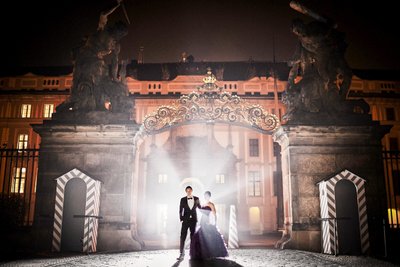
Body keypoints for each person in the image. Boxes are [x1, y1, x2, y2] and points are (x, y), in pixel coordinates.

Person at [189, 191, 228, 260]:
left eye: (207, 196)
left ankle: (212, 253)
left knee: (211, 236)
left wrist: (214, 222)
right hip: (202, 221)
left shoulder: (211, 204)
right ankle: (201, 253)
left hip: (208, 221)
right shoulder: (203, 204)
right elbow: (199, 210)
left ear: (209, 196)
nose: (205, 197)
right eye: (205, 196)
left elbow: (214, 214)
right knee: (199, 236)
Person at [177, 186, 201, 261]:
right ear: (186, 192)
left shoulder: (197, 198)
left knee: (193, 237)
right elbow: (181, 209)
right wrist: (181, 218)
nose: (189, 192)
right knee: (182, 236)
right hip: (185, 220)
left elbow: (200, 207)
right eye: (187, 191)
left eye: (190, 191)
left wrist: (207, 207)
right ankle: (181, 253)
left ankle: (193, 253)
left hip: (193, 220)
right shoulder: (183, 199)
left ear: (192, 191)